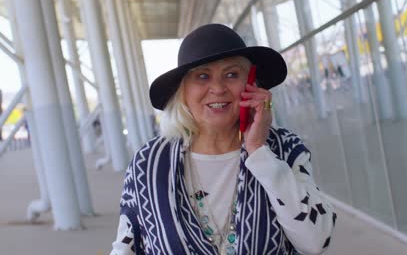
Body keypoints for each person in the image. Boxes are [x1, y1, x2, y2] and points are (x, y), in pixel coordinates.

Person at [110, 24, 336, 255]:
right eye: (202, 76)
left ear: (251, 83)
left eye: (231, 74)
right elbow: (126, 247)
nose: (217, 88)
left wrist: (259, 150)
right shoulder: (149, 163)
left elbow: (315, 241)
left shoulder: (284, 149)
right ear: (183, 90)